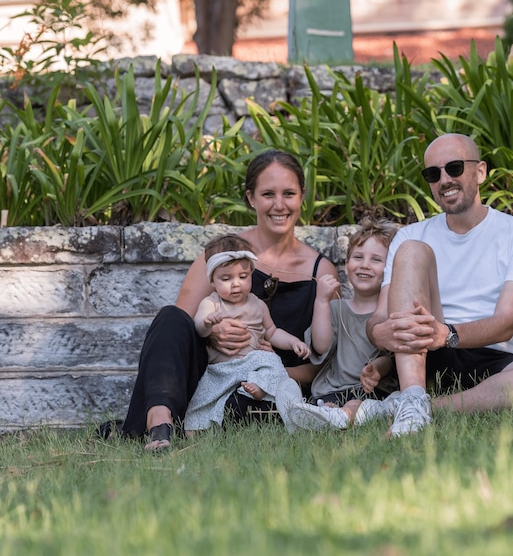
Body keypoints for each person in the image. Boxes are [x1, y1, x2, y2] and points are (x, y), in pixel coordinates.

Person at [109, 149, 337, 450]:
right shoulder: (222, 256)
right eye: (268, 194)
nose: (279, 205)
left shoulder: (320, 271)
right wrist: (212, 333)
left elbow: (322, 364)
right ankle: (159, 422)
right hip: (212, 373)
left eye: (289, 193)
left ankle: (167, 426)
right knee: (169, 317)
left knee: (246, 406)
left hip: (264, 389)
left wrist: (259, 368)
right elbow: (179, 332)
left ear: (302, 196)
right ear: (251, 198)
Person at [365, 133, 513, 437]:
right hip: (425, 357)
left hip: (494, 360)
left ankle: (410, 408)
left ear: (480, 171)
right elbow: (377, 319)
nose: (444, 180)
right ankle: (414, 397)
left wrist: (448, 335)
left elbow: (506, 323)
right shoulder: (410, 235)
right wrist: (381, 332)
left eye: (454, 168)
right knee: (414, 250)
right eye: (433, 174)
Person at [277, 217, 400, 431]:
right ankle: (314, 413)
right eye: (358, 257)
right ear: (347, 264)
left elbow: (390, 358)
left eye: (376, 260)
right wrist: (322, 301)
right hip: (332, 389)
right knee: (308, 395)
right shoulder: (336, 308)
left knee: (357, 404)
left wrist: (377, 369)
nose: (364, 265)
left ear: (391, 268)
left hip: (371, 390)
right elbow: (322, 345)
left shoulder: (390, 313)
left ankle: (341, 415)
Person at [181, 234, 310, 432]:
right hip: (223, 367)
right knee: (204, 394)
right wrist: (208, 323)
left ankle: (261, 390)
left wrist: (293, 342)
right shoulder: (212, 302)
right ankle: (196, 425)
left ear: (251, 273)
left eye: (243, 277)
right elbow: (198, 327)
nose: (236, 284)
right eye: (226, 278)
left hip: (253, 363)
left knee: (273, 364)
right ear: (213, 280)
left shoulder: (257, 304)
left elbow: (272, 332)